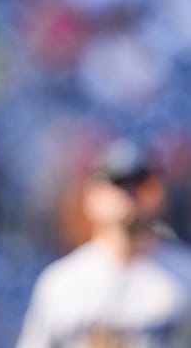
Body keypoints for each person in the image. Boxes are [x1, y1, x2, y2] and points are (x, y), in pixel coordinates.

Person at [16, 137, 191, 347]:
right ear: (91, 196)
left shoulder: (185, 275)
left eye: (138, 184)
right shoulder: (61, 283)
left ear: (156, 192)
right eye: (118, 183)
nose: (129, 195)